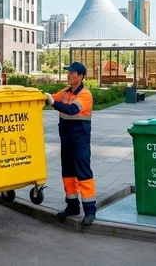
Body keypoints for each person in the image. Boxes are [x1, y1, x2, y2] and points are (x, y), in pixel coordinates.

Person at [44, 62, 96, 225]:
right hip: (66, 140)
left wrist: (53, 103)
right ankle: (72, 206)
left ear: (80, 77)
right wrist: (41, 97)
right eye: (68, 72)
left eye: (72, 73)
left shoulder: (85, 94)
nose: (68, 75)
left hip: (79, 141)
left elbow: (72, 110)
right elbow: (52, 99)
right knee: (68, 174)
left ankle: (90, 211)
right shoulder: (66, 92)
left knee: (83, 174)